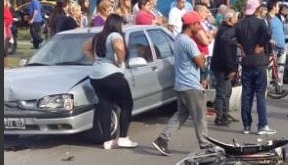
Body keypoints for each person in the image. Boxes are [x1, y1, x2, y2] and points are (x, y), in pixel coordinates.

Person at [151, 11, 210, 155]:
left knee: (181, 114)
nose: (200, 28)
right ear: (191, 25)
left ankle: (162, 139)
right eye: (198, 25)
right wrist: (203, 58)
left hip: (181, 84)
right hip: (191, 84)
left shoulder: (178, 39)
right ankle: (206, 144)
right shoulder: (188, 42)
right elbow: (201, 62)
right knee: (200, 116)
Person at [81, 13, 138, 150]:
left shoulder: (98, 37)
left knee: (105, 104)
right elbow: (119, 47)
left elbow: (85, 48)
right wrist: (119, 60)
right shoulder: (115, 36)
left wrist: (96, 59)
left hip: (96, 76)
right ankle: (123, 137)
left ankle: (107, 140)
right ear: (117, 24)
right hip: (112, 74)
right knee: (126, 104)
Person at [235, 0, 276, 135]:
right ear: (257, 9)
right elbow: (268, 34)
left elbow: (236, 39)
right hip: (259, 62)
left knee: (247, 95)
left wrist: (242, 47)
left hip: (246, 61)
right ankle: (262, 125)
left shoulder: (239, 24)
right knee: (260, 95)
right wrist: (260, 45)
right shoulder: (260, 23)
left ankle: (246, 125)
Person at [210, 8, 240, 126]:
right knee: (222, 93)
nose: (236, 20)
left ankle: (224, 114)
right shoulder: (226, 32)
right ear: (229, 19)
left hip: (222, 66)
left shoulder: (225, 30)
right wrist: (231, 69)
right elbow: (226, 53)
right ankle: (220, 117)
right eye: (235, 18)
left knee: (227, 92)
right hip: (222, 67)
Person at [266, 0, 287, 87]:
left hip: (281, 47)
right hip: (272, 49)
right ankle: (268, 85)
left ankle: (279, 85)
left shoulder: (278, 18)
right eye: (278, 6)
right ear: (273, 7)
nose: (279, 8)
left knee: (280, 69)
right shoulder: (267, 19)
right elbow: (265, 33)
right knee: (269, 69)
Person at [4, 0, 14, 66]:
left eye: (4, 1)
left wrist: (4, 22)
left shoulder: (5, 9)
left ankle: (5, 65)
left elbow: (10, 19)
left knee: (4, 51)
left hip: (5, 33)